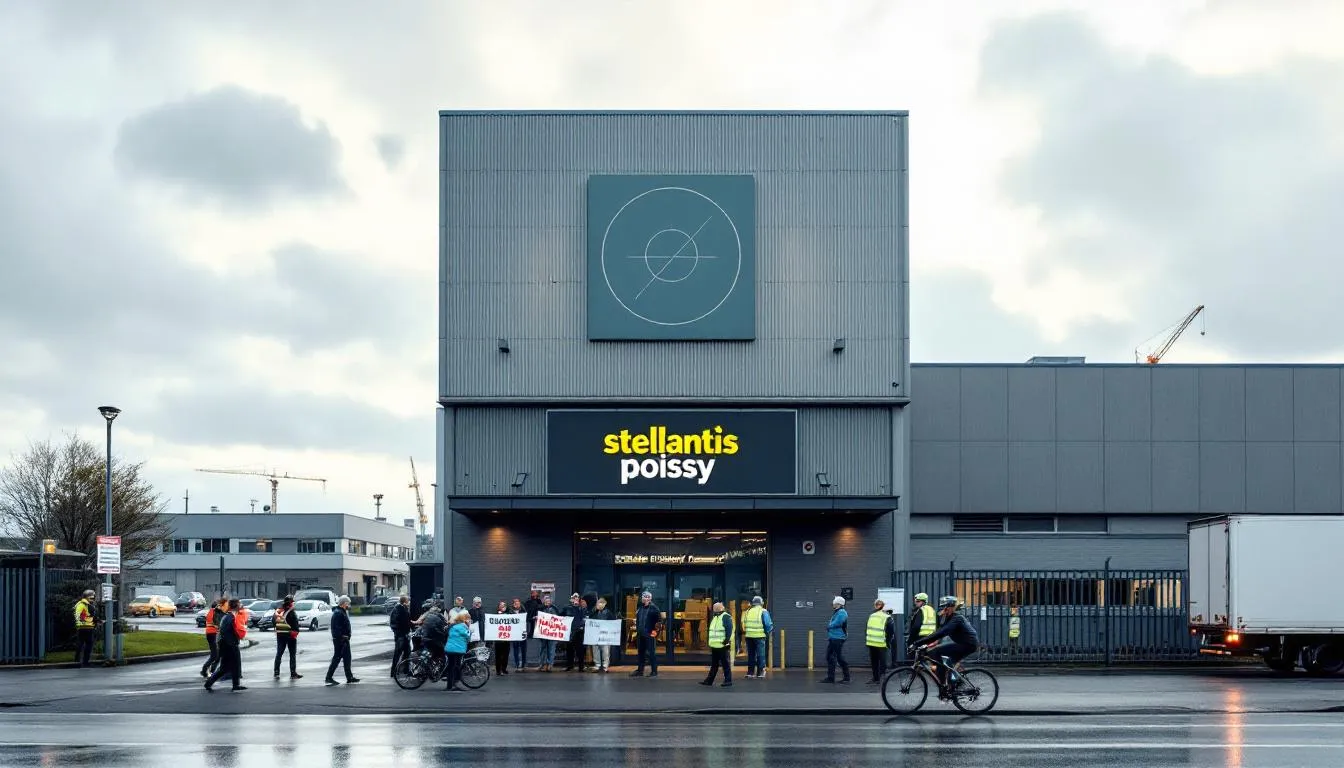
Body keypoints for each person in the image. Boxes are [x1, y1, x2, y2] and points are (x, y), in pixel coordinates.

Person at [914, 596, 980, 693]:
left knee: (938, 652)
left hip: (968, 645)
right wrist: (928, 644)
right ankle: (951, 686)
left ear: (950, 607)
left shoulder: (957, 618)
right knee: (944, 660)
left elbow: (942, 632)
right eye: (942, 607)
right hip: (962, 643)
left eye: (944, 607)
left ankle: (945, 686)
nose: (942, 610)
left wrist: (918, 642)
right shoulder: (947, 619)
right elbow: (938, 634)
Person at [204, 598, 247, 692]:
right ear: (235, 606)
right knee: (235, 664)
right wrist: (233, 643)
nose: (241, 606)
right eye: (239, 604)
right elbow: (225, 632)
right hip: (229, 645)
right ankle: (235, 685)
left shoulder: (228, 616)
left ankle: (209, 683)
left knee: (224, 667)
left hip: (226, 644)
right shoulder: (231, 617)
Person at [325, 595, 360, 686]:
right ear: (344, 603)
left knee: (347, 658)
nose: (349, 605)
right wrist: (342, 637)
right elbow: (336, 628)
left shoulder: (342, 612)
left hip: (344, 639)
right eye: (348, 603)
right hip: (340, 640)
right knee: (337, 658)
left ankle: (349, 677)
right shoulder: (338, 613)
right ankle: (328, 677)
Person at [700, 601, 734, 688]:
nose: (714, 610)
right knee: (715, 664)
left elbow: (729, 630)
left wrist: (726, 641)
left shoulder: (725, 617)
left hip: (722, 645)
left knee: (725, 664)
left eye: (715, 608)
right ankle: (709, 680)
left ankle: (728, 680)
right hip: (715, 645)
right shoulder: (716, 617)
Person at [630, 591, 662, 678]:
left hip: (649, 634)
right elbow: (639, 619)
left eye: (647, 597)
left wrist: (653, 634)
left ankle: (654, 671)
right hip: (641, 634)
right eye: (644, 597)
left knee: (651, 653)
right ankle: (640, 670)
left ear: (650, 598)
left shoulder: (654, 608)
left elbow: (659, 623)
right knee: (641, 652)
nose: (645, 599)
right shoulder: (640, 608)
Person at [741, 595, 773, 679]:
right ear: (761, 603)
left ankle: (750, 672)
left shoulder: (748, 611)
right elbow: (768, 624)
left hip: (749, 636)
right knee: (760, 654)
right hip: (759, 636)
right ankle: (760, 672)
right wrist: (767, 632)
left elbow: (743, 624)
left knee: (751, 655)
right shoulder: (763, 611)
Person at [820, 596, 851, 684]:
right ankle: (831, 678)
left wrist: (829, 626)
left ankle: (846, 678)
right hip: (833, 637)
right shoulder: (837, 612)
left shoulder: (842, 612)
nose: (833, 604)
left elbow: (838, 623)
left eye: (834, 603)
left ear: (838, 604)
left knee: (839, 658)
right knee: (830, 657)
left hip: (838, 638)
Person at [865, 598, 893, 684]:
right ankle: (882, 678)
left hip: (871, 642)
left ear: (875, 606)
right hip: (881, 643)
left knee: (874, 662)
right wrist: (888, 642)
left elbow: (866, 629)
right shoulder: (887, 617)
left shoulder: (871, 615)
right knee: (882, 661)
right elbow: (890, 631)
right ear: (883, 606)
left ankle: (876, 678)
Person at [273, 596, 302, 679]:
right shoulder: (291, 612)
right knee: (292, 655)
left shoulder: (278, 611)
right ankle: (293, 673)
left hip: (280, 635)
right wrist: (296, 631)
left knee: (279, 653)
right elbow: (295, 624)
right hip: (290, 636)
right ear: (290, 603)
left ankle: (276, 672)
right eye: (292, 602)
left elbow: (273, 622)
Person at [444, 611, 472, 691]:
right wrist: (468, 626)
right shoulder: (463, 627)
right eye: (469, 619)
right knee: (456, 666)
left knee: (451, 666)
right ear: (465, 619)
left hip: (449, 648)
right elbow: (468, 636)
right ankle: (455, 684)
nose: (469, 621)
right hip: (457, 649)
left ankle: (449, 685)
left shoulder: (453, 626)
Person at [200, 596, 226, 678]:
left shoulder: (211, 612)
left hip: (211, 634)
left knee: (216, 654)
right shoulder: (214, 613)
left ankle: (210, 671)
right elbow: (218, 624)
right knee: (215, 655)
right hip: (213, 634)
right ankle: (204, 670)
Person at [73, 589, 99, 669]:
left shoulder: (80, 604)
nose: (93, 599)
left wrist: (97, 620)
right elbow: (84, 615)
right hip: (87, 627)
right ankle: (85, 662)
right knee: (88, 644)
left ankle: (77, 661)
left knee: (80, 643)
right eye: (91, 597)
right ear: (87, 597)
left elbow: (81, 615)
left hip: (82, 627)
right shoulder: (85, 604)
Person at [588, 597, 614, 673]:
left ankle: (605, 666)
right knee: (595, 650)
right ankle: (597, 665)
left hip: (605, 634)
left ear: (605, 604)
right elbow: (589, 617)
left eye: (602, 603)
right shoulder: (594, 611)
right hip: (595, 633)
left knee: (606, 651)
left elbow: (613, 621)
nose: (600, 604)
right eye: (599, 602)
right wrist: (595, 609)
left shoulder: (608, 612)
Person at [562, 593, 587, 672]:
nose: (575, 599)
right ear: (571, 599)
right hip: (569, 631)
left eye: (577, 598)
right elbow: (559, 615)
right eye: (574, 598)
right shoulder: (567, 608)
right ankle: (570, 666)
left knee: (580, 650)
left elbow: (584, 617)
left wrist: (577, 607)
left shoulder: (581, 608)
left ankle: (581, 667)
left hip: (579, 631)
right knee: (569, 650)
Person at [535, 594, 560, 672]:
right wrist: (536, 617)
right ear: (543, 601)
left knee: (551, 649)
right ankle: (542, 664)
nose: (547, 602)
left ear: (550, 601)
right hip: (543, 633)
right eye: (545, 600)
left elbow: (558, 619)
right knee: (543, 649)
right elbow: (536, 617)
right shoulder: (540, 609)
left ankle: (550, 665)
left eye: (548, 600)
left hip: (552, 633)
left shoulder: (554, 608)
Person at [390, 595, 413, 676]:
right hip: (401, 635)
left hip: (403, 635)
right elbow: (399, 623)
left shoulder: (401, 609)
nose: (409, 602)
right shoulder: (399, 610)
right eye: (407, 600)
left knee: (406, 652)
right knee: (398, 653)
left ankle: (405, 670)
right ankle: (394, 671)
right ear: (404, 601)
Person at [523, 590, 541, 670]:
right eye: (533, 593)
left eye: (535, 593)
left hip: (535, 615)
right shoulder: (529, 600)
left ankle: (533, 633)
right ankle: (529, 633)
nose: (534, 594)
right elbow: (526, 606)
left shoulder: (538, 600)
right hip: (530, 614)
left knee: (534, 625)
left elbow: (540, 606)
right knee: (529, 624)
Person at [492, 600, 511, 676]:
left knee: (506, 654)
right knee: (498, 655)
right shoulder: (495, 615)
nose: (503, 607)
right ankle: (498, 670)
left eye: (504, 606)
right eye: (501, 606)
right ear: (499, 607)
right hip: (498, 639)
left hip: (506, 638)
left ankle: (504, 668)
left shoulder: (509, 615)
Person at [509, 597, 528, 672]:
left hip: (523, 633)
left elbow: (527, 620)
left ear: (520, 603)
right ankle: (517, 664)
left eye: (517, 602)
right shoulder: (510, 612)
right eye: (515, 603)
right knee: (516, 649)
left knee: (524, 649)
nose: (516, 604)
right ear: (513, 604)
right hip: (514, 633)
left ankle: (523, 664)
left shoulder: (523, 611)